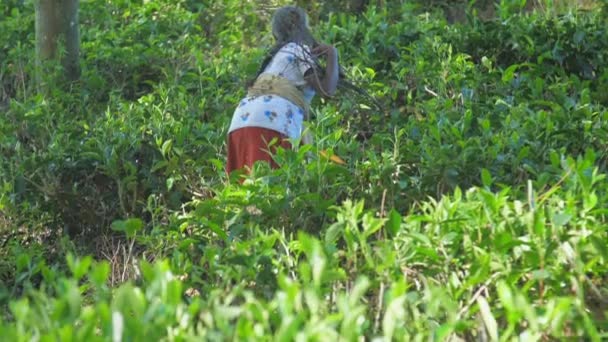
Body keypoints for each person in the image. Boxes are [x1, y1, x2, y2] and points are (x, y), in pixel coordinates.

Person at [226, 5, 340, 177]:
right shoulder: (298, 49)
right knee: (273, 191)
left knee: (244, 191)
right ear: (300, 26)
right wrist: (332, 54)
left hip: (240, 123)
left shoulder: (276, 57)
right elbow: (327, 90)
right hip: (271, 123)